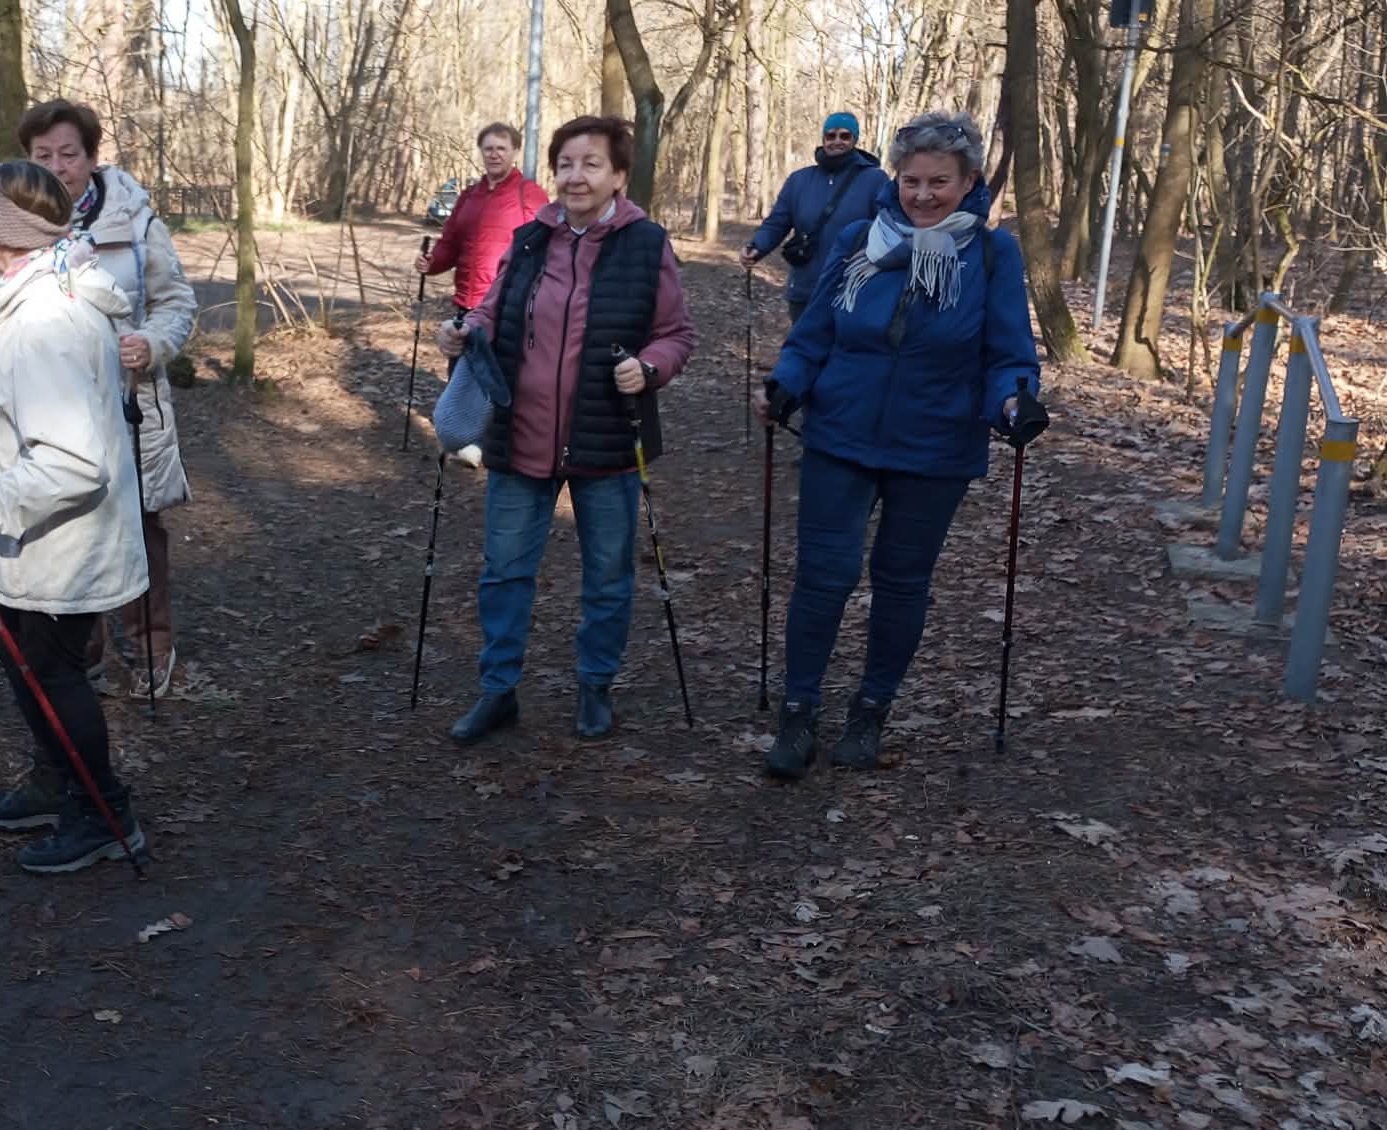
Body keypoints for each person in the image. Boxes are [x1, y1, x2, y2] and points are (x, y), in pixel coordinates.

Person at [751, 110, 1042, 780]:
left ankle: (870, 713)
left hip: (935, 444)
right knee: (823, 576)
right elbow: (814, 335)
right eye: (911, 180)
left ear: (968, 182)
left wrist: (1014, 401)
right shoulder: (860, 239)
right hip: (841, 432)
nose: (922, 195)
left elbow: (1008, 354)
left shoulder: (990, 254)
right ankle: (798, 713)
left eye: (939, 182)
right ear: (895, 178)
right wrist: (785, 384)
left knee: (902, 581)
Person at [0, 160, 150, 871]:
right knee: (27, 665)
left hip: (59, 542)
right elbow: (26, 416)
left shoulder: (47, 320)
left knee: (53, 672)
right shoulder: (27, 295)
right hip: (28, 537)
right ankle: (54, 782)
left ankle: (104, 812)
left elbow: (74, 462)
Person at [436, 115, 696, 745]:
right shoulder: (530, 239)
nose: (575, 176)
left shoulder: (646, 244)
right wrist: (464, 331)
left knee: (607, 576)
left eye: (591, 164)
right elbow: (490, 312)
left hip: (607, 438)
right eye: (565, 164)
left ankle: (594, 686)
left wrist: (650, 367)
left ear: (619, 176)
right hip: (520, 434)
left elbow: (676, 334)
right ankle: (498, 691)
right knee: (503, 572)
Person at [5, 100, 193, 698]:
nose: (57, 167)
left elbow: (175, 301)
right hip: (47, 409)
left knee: (138, 525)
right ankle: (80, 651)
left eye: (69, 153)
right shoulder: (9, 222)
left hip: (128, 400)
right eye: (43, 155)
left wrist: (152, 342)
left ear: (91, 157)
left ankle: (150, 648)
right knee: (64, 522)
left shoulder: (133, 219)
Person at [414, 123, 549, 466]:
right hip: (466, 302)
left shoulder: (530, 195)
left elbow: (545, 247)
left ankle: (504, 443)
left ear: (514, 151)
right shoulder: (468, 197)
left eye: (501, 148)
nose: (494, 154)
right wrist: (431, 263)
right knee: (462, 375)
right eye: (488, 148)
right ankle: (466, 439)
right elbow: (450, 244)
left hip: (508, 305)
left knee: (502, 376)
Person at [741, 112, 887, 325]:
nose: (837, 141)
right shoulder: (799, 180)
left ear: (855, 140)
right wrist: (757, 246)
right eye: (831, 135)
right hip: (805, 290)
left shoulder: (875, 180)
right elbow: (777, 222)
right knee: (803, 344)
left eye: (845, 136)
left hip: (852, 291)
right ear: (823, 139)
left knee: (846, 345)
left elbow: (887, 230)